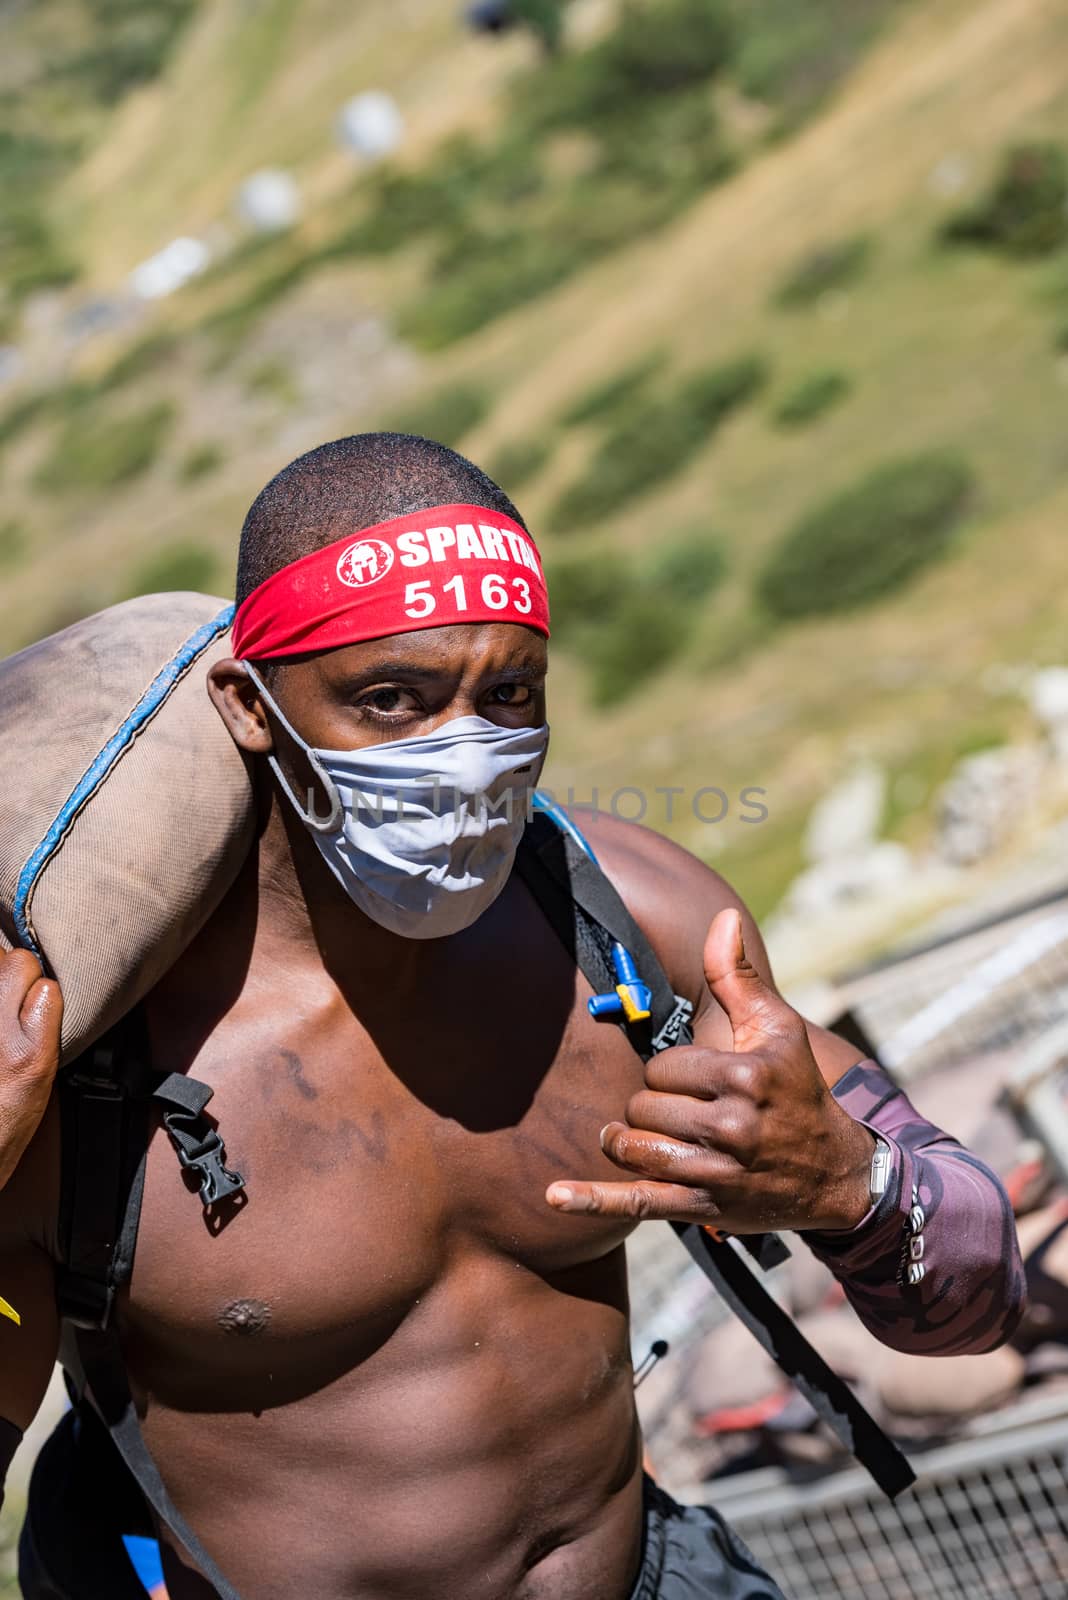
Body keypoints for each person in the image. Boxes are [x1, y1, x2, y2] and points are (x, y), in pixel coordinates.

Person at [0, 433, 1025, 1600]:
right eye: (390, 698)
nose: (462, 754)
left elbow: (979, 1304)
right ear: (249, 703)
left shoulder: (631, 924)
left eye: (509, 693)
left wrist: (853, 1187)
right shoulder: (85, 1065)